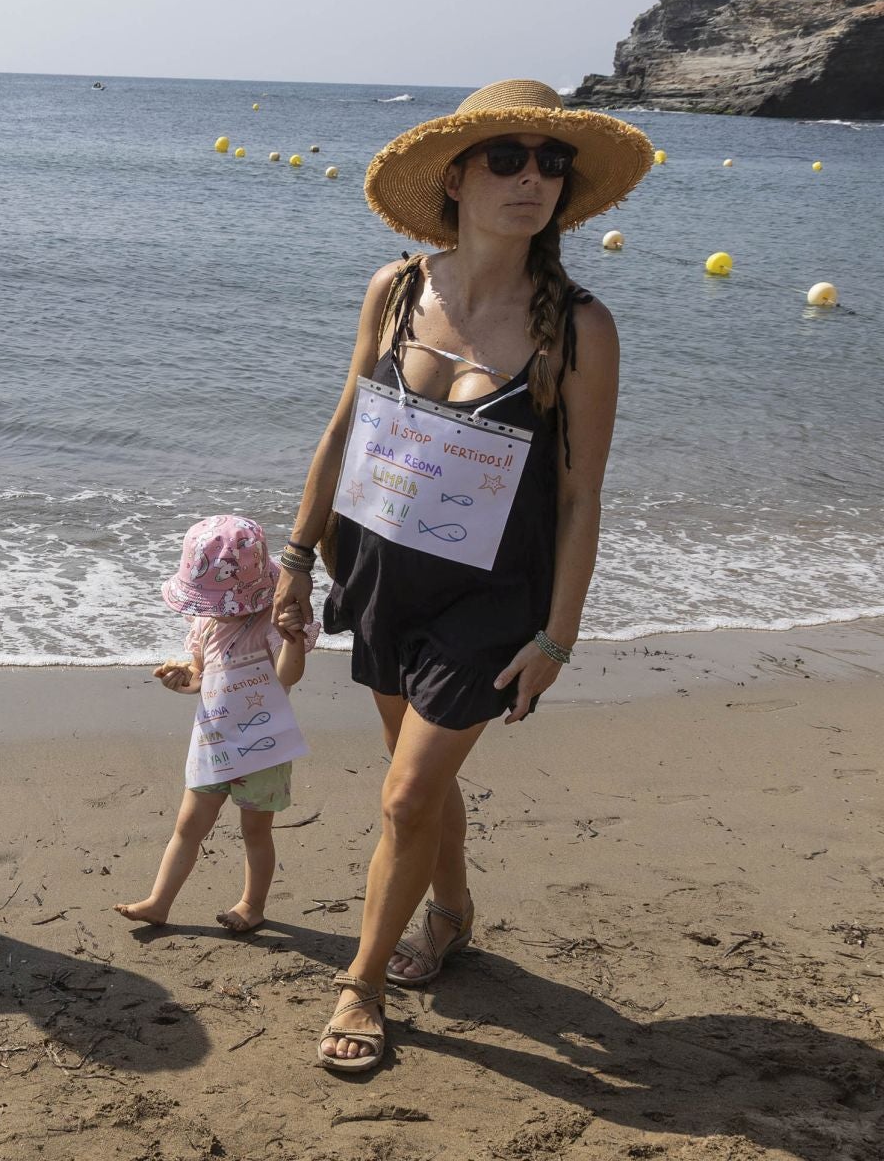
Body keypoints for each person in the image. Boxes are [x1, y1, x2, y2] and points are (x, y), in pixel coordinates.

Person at [272, 80, 650, 1072]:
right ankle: (452, 909)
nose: (533, 178)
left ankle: (360, 986)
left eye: (551, 161)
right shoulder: (396, 290)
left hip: (493, 599)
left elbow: (578, 498)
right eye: (507, 157)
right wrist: (298, 556)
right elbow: (346, 426)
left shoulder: (579, 328)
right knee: (417, 778)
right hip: (383, 574)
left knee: (403, 797)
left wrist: (557, 637)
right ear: (456, 175)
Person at [114, 516, 318, 934]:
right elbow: (202, 676)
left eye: (213, 602)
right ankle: (159, 901)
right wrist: (182, 682)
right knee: (187, 827)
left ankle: (252, 904)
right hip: (213, 740)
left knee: (255, 831)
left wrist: (293, 639)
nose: (208, 611)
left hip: (263, 747)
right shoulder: (205, 624)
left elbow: (288, 676)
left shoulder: (272, 622)